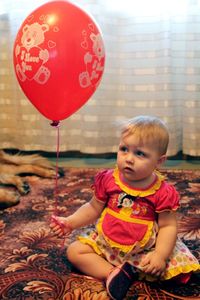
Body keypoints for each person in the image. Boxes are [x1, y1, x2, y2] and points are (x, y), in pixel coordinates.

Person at [50, 115, 200, 300]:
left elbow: (168, 226)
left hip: (144, 249)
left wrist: (160, 255)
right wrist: (70, 222)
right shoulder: (108, 179)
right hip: (108, 242)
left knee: (176, 274)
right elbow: (93, 207)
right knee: (75, 251)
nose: (129, 158)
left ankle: (129, 270)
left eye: (140, 154)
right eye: (124, 149)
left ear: (159, 161)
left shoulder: (162, 192)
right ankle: (113, 273)